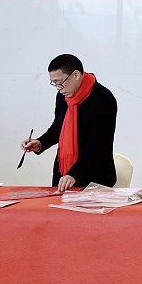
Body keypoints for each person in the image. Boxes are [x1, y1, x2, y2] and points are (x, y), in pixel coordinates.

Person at [21, 54, 118, 193]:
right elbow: (58, 126)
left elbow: (97, 143)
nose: (58, 88)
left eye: (60, 82)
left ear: (76, 75)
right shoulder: (63, 95)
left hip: (94, 176)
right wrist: (40, 143)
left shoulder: (103, 98)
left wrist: (74, 173)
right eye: (54, 83)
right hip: (64, 175)